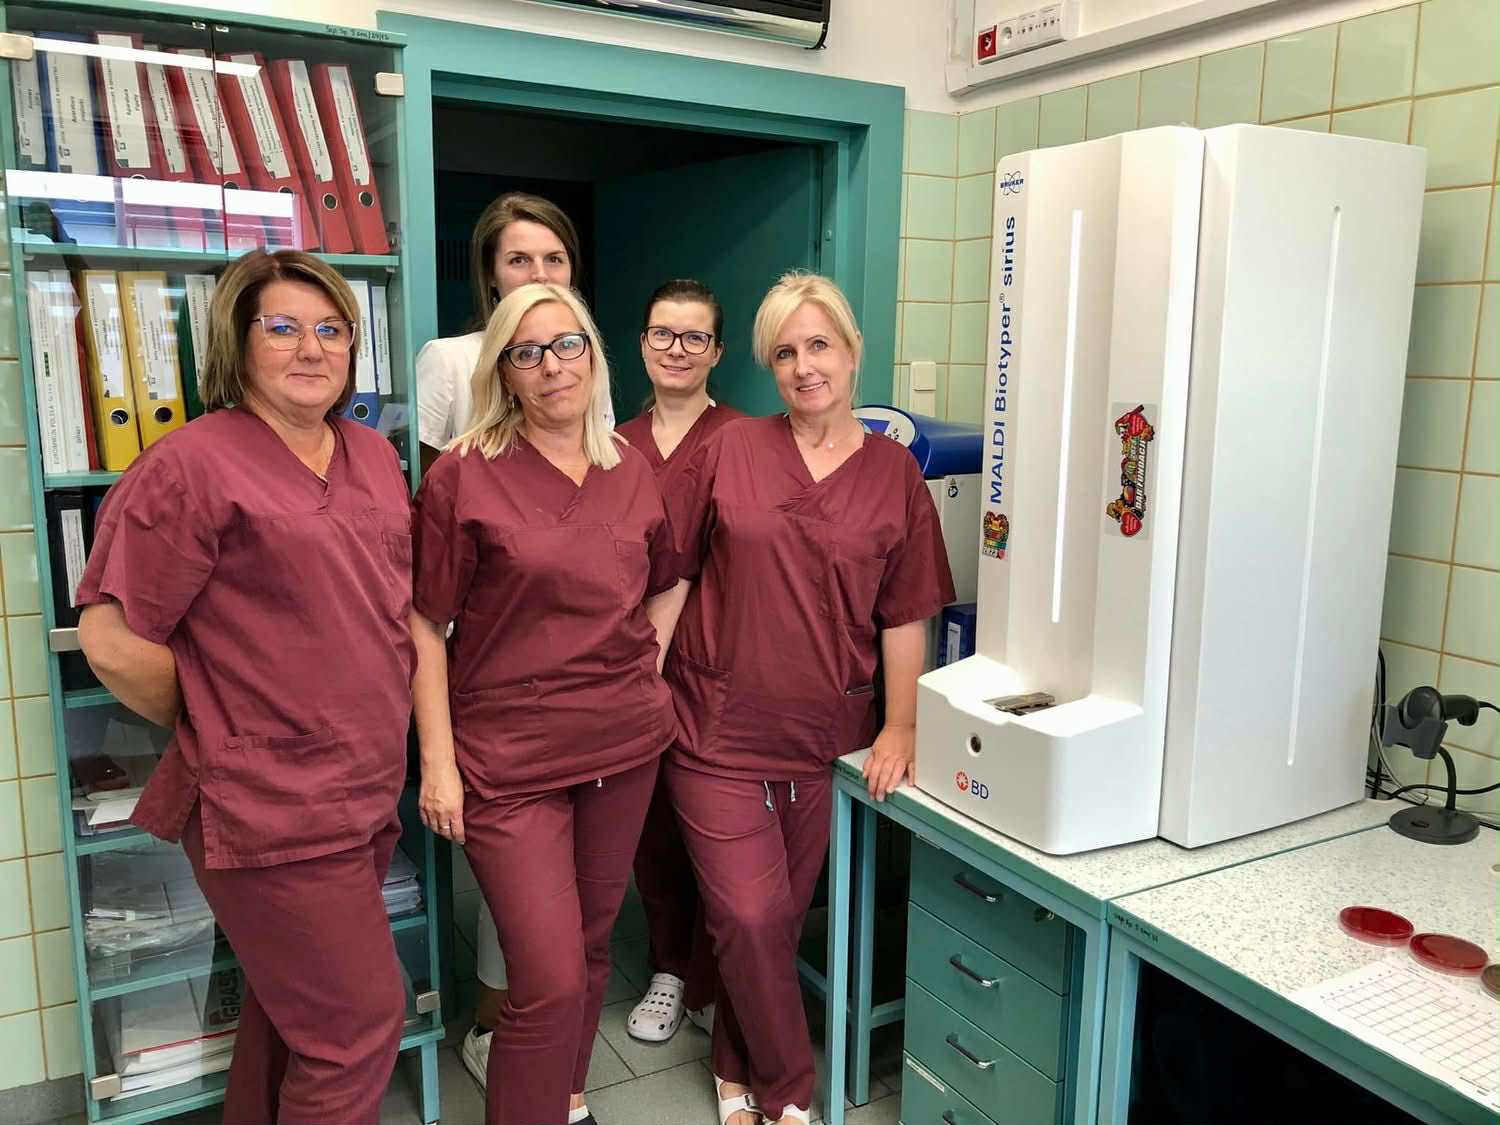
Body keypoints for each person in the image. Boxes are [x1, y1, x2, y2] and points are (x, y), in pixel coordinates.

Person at [75, 250, 414, 1124]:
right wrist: (222, 719)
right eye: (284, 327)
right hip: (271, 804)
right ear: (239, 339)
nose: (313, 347)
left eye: (332, 328)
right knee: (356, 1031)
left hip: (364, 787)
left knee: (291, 1017)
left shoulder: (373, 454)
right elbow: (110, 638)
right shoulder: (192, 465)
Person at [659, 272, 956, 1125]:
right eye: (785, 352)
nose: (804, 366)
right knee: (749, 913)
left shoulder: (895, 475)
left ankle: (732, 1067)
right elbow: (673, 577)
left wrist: (901, 723)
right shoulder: (731, 450)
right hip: (713, 725)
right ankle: (791, 1095)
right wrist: (642, 685)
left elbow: (905, 612)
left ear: (854, 352)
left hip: (826, 733)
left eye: (819, 345)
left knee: (773, 923)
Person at [410, 282, 684, 1125]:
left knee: (591, 947)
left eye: (568, 344)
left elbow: (669, 580)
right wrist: (438, 763)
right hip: (510, 759)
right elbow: (424, 622)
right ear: (505, 371)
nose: (552, 365)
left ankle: (563, 1100)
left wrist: (643, 669)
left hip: (622, 749)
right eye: (526, 352)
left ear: (593, 354)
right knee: (548, 975)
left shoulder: (629, 467)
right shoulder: (463, 475)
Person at [414, 191, 612, 1085]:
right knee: (538, 937)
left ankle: (544, 1071)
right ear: (490, 275)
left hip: (598, 717)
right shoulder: (458, 386)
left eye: (553, 258)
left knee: (569, 935)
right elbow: (431, 571)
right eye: (519, 259)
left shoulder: (610, 434)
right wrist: (441, 755)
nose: (538, 273)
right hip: (496, 676)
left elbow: (651, 568)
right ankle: (504, 1036)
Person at [615, 279, 744, 1043]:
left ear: (717, 352)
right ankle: (669, 966)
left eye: (695, 337)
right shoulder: (610, 445)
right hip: (631, 665)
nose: (677, 349)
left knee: (718, 827)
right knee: (652, 822)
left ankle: (714, 974)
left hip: (716, 666)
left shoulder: (747, 441)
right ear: (641, 343)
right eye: (663, 333)